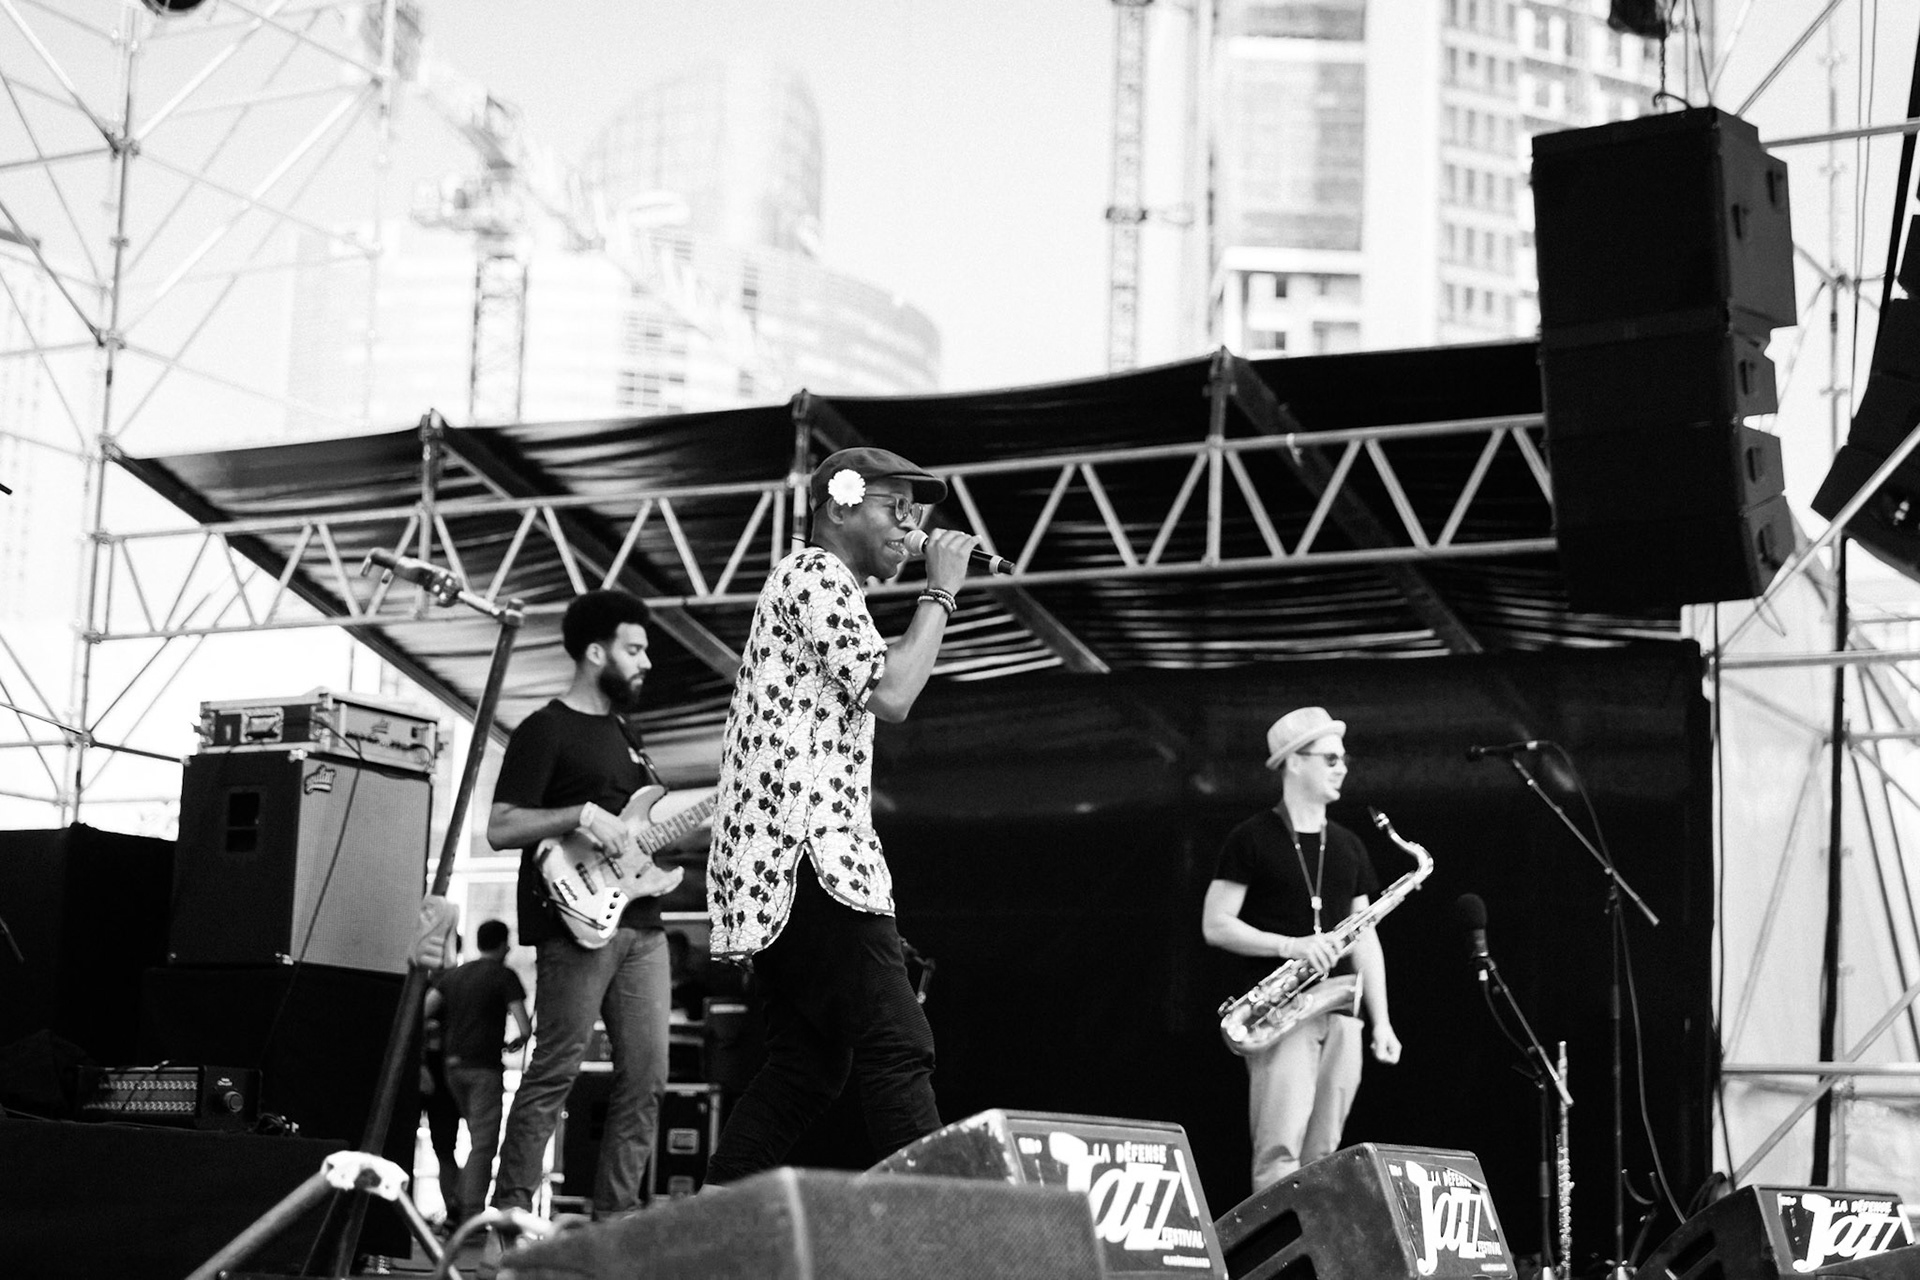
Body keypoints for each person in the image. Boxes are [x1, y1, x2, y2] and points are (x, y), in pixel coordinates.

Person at [702, 445, 979, 1183]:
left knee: (807, 1069)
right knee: (899, 1043)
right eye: (897, 507)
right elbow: (893, 694)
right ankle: (939, 1246)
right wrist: (940, 592)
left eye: (917, 514)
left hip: (777, 871)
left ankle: (704, 1237)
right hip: (808, 859)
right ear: (841, 501)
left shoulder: (820, 590)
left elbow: (878, 683)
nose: (911, 525)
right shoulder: (815, 573)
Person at [487, 590, 674, 1220]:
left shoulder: (628, 732)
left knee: (645, 1081)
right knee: (554, 1071)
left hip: (643, 925)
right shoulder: (546, 730)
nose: (647, 661)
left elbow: (638, 828)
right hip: (574, 928)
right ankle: (507, 1220)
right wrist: (581, 814)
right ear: (596, 653)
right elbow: (502, 825)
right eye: (634, 648)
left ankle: (614, 1227)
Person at [1201, 705, 1402, 1191]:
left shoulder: (1350, 845)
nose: (1343, 767)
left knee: (1324, 1157)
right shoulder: (1251, 838)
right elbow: (1215, 924)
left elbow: (1366, 934)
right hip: (1281, 1011)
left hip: (1342, 1011)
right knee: (1280, 1154)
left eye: (1343, 758)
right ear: (1294, 761)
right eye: (1331, 758)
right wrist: (1291, 945)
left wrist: (1381, 1021)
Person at [425, 919, 530, 1224]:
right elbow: (524, 1025)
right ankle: (471, 1213)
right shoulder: (504, 976)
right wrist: (516, 1042)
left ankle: (458, 1203)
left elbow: (423, 1011)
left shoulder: (456, 976)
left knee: (460, 1142)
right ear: (503, 944)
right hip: (484, 1068)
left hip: (451, 1068)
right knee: (482, 1143)